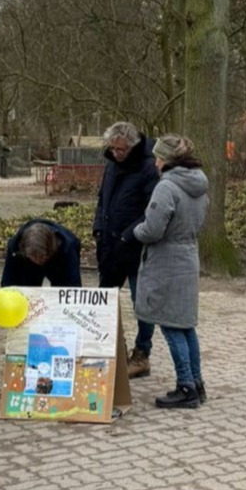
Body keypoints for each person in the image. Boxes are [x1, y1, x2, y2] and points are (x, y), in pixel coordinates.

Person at [129, 134, 209, 409]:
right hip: (188, 256)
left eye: (159, 157)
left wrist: (135, 231)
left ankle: (186, 386)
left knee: (170, 325)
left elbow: (152, 230)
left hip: (166, 262)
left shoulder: (166, 187)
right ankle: (197, 383)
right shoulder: (200, 185)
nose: (155, 163)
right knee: (186, 325)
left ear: (168, 160)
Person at [93, 122, 159, 378]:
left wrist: (128, 235)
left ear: (132, 146)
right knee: (104, 299)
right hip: (109, 245)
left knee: (141, 303)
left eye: (121, 149)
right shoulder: (111, 164)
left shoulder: (148, 167)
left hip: (135, 246)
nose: (116, 153)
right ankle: (112, 347)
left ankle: (142, 353)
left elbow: (151, 210)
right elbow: (103, 199)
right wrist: (98, 227)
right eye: (113, 148)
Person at [1, 219, 82, 287]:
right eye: (34, 256)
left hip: (58, 259)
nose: (38, 261)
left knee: (62, 288)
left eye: (41, 257)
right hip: (27, 262)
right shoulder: (15, 247)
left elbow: (73, 286)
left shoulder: (68, 247)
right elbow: (8, 283)